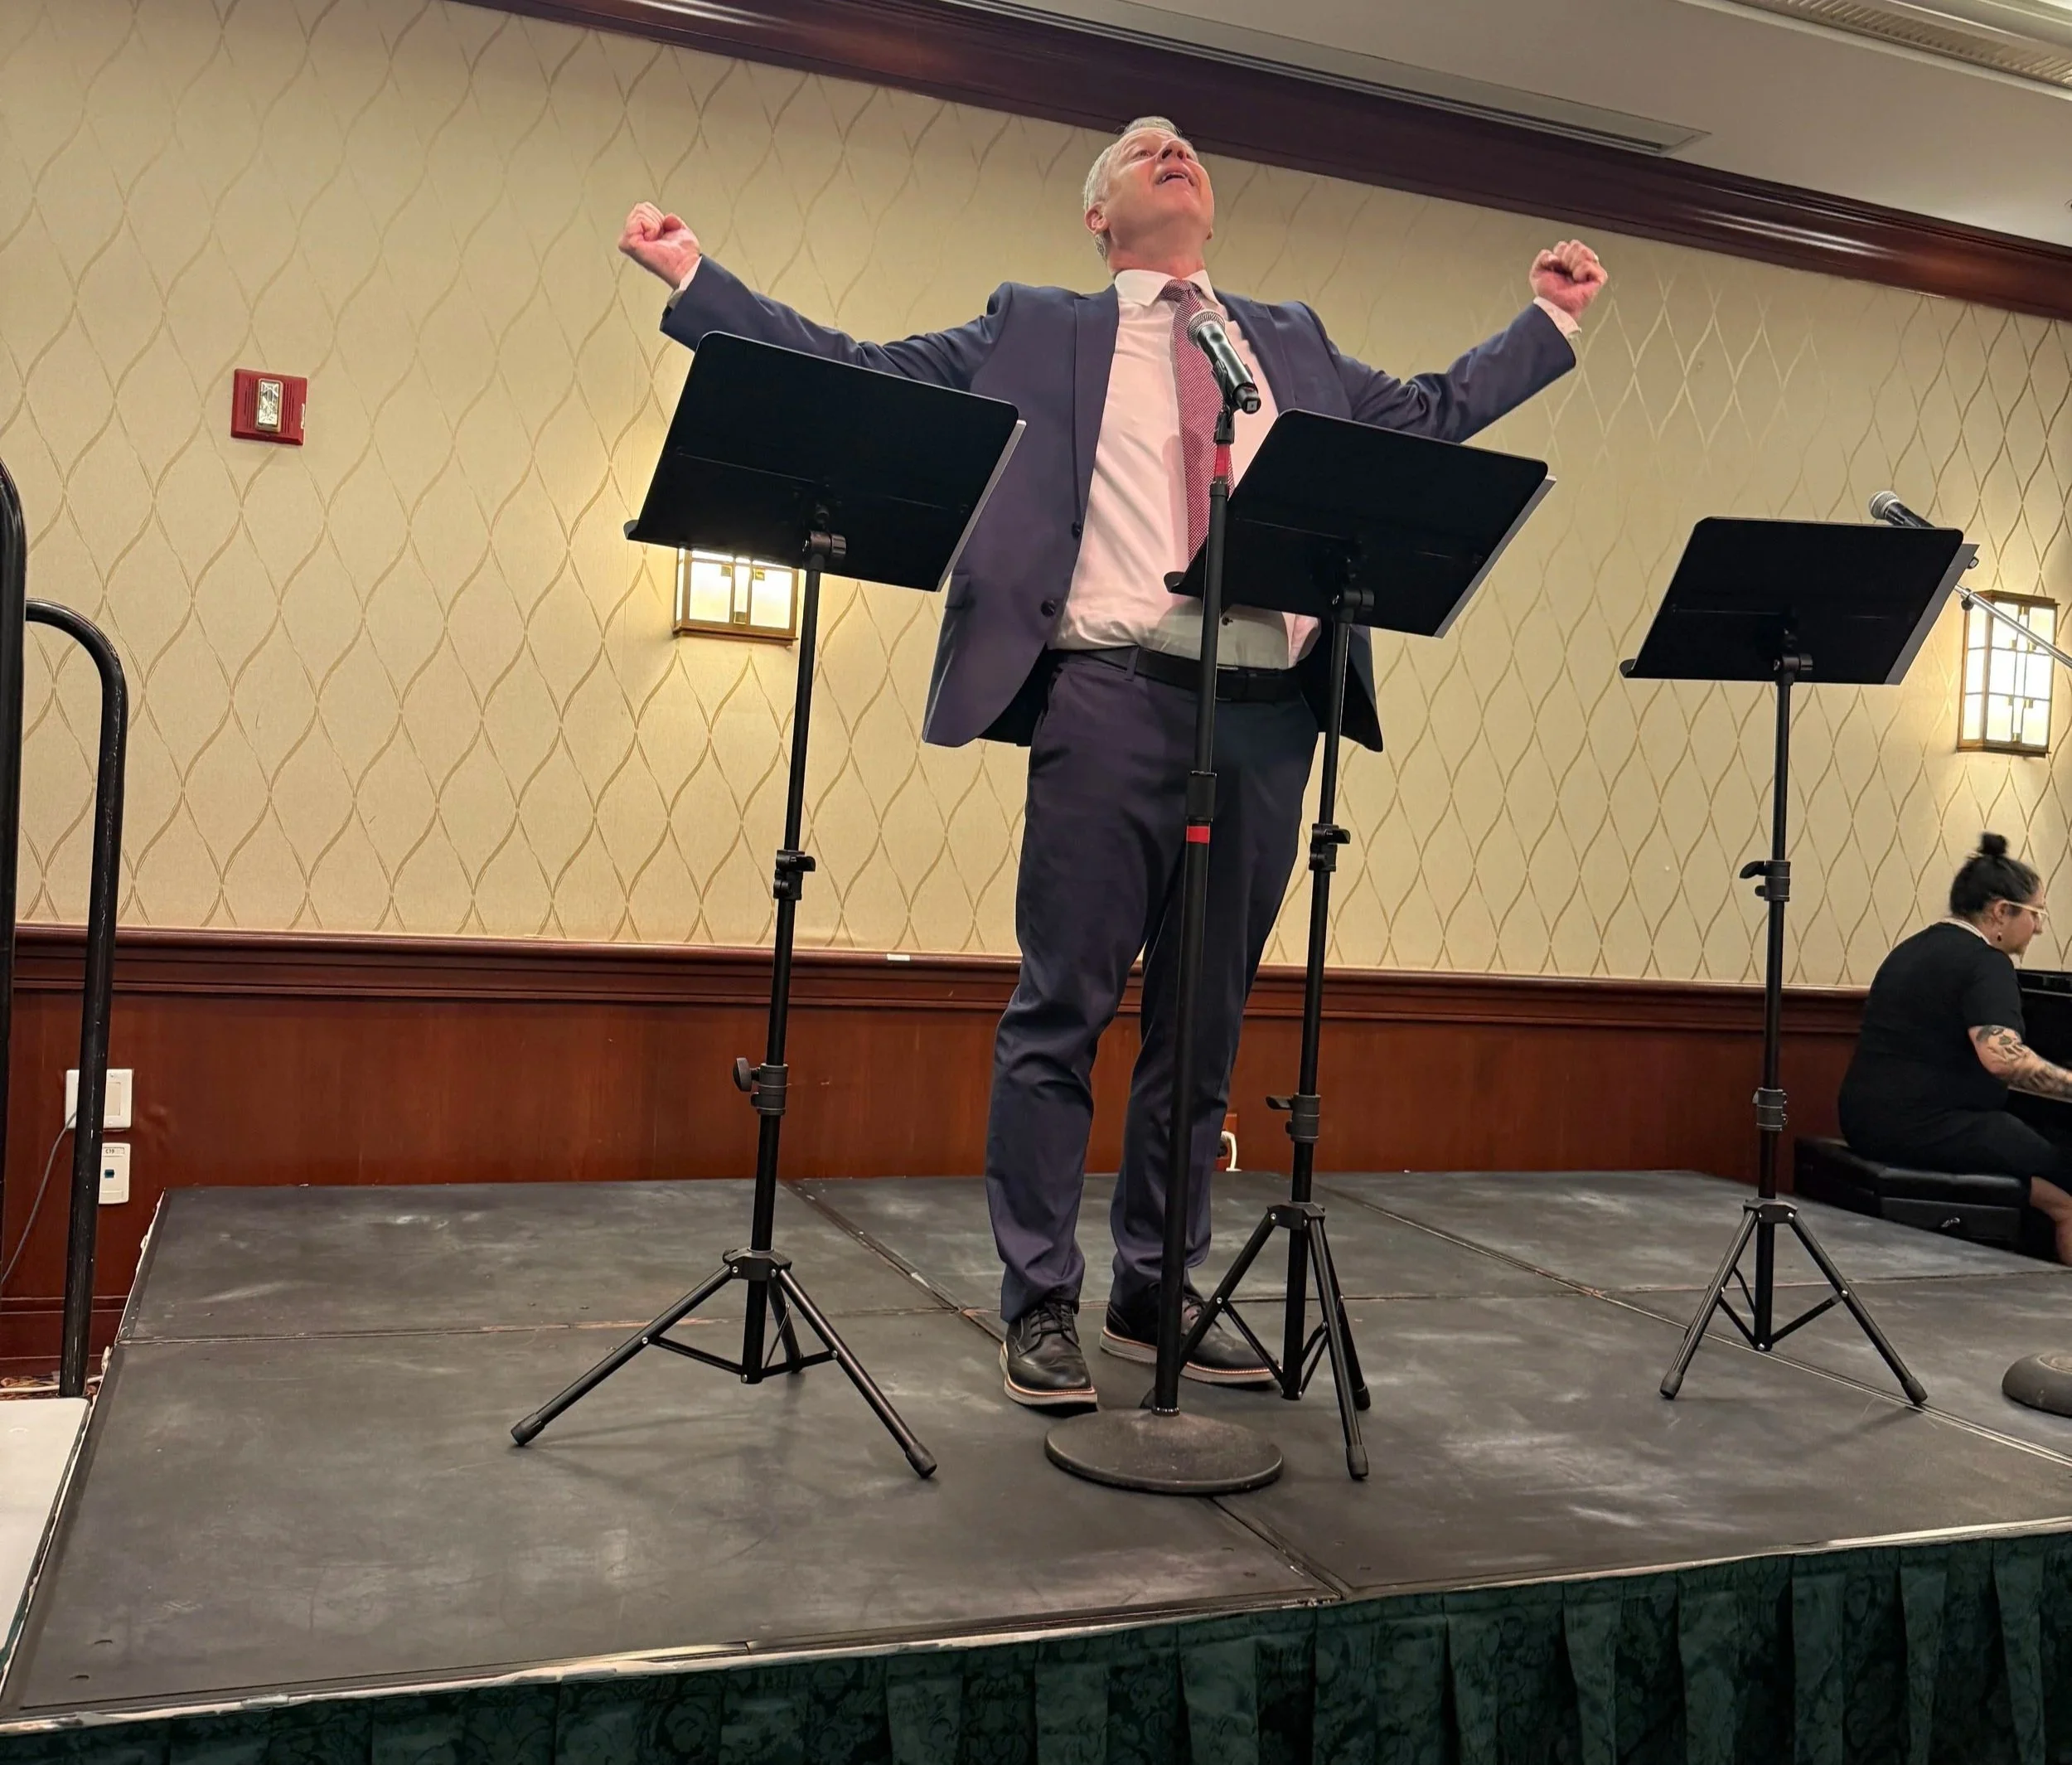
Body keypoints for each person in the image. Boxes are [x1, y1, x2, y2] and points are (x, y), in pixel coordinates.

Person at [619, 118, 1608, 1408]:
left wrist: (1546, 324)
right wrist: (699, 281)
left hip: (1266, 712)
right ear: (1101, 220)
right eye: (1143, 149)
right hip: (1110, 698)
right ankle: (1040, 1300)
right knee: (1062, 1011)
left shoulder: (1286, 341)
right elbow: (865, 370)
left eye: (1190, 144)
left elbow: (1424, 416)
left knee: (1200, 1035)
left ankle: (1156, 1284)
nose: (1176, 146)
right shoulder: (1036, 326)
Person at [1839, 834, 2072, 1263]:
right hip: (1930, 1126)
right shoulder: (1986, 963)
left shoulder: (1913, 948)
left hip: (1867, 1119)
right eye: (2037, 914)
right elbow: (2003, 1059)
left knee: (2036, 1158)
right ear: (2002, 911)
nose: (2039, 927)